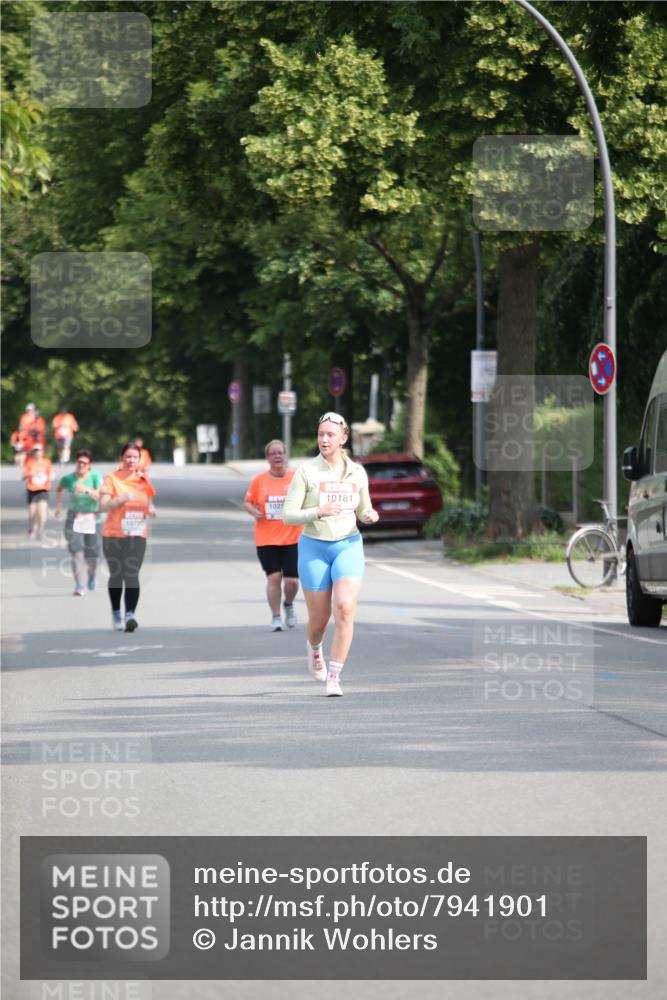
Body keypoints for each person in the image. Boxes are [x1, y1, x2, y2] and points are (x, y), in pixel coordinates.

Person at [283, 412, 379, 696]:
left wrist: (369, 514)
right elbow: (288, 516)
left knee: (346, 609)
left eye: (330, 435)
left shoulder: (357, 472)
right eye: (321, 434)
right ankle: (315, 649)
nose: (324, 439)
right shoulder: (307, 471)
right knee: (319, 620)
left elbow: (363, 508)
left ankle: (335, 675)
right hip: (314, 546)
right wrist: (317, 511)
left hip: (348, 544)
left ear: (343, 438)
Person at [243, 439, 302, 631]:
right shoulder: (260, 480)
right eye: (273, 453)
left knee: (292, 581)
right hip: (266, 539)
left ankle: (289, 605)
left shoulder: (296, 478)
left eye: (280, 453)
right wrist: (254, 512)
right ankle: (276, 616)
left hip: (293, 538)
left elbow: (308, 499)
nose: (277, 456)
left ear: (286, 456)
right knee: (274, 578)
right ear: (268, 458)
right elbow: (248, 502)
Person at [99, 442, 156, 632]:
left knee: (131, 573)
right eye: (128, 457)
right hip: (113, 534)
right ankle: (116, 611)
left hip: (137, 534)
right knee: (117, 575)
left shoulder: (143, 480)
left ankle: (130, 614)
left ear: (140, 460)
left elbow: (149, 502)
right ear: (121, 459)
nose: (131, 460)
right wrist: (120, 499)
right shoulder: (111, 479)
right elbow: (103, 505)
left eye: (135, 457)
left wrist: (151, 509)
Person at [54, 449, 103, 596]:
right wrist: (58, 507)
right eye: (79, 462)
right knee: (76, 553)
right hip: (74, 518)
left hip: (93, 518)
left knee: (92, 556)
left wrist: (86, 490)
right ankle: (79, 585)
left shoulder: (95, 477)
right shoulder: (69, 478)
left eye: (84, 463)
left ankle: (92, 576)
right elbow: (59, 489)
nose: (81, 465)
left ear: (89, 465)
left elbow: (99, 496)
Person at [21, 442, 53, 540]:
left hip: (43, 489)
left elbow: (51, 474)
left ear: (42, 452)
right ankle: (31, 529)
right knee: (32, 513)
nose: (37, 453)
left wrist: (50, 477)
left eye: (39, 451)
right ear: (33, 453)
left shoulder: (47, 462)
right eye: (35, 451)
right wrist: (29, 473)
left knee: (42, 513)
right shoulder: (29, 463)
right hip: (32, 490)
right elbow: (22, 477)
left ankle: (41, 531)